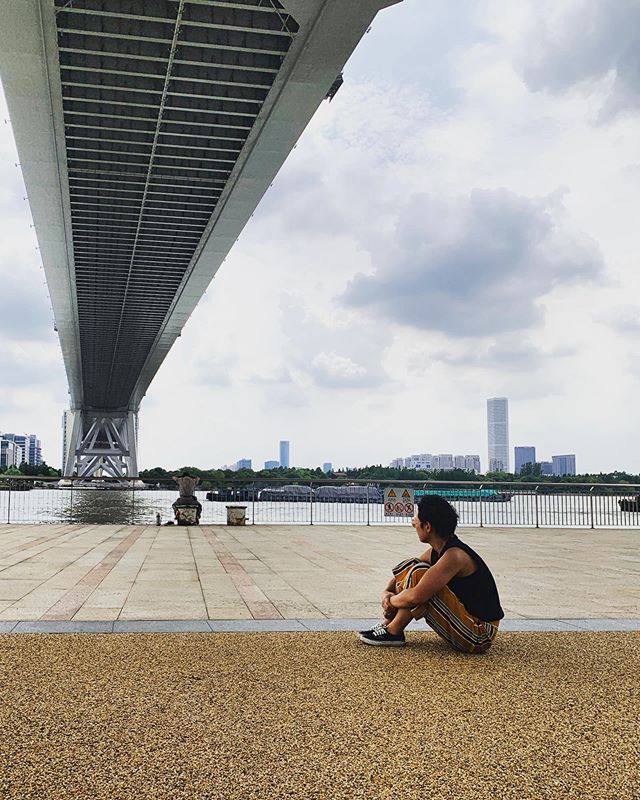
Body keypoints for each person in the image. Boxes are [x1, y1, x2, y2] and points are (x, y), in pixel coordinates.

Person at [358, 494, 504, 652]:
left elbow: (416, 596)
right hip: (468, 622)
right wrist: (386, 592)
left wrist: (390, 601)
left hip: (480, 634)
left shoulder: (454, 556)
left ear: (427, 526)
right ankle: (389, 626)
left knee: (420, 575)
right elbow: (406, 572)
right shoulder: (438, 551)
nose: (413, 523)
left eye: (416, 519)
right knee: (414, 565)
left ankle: (394, 631)